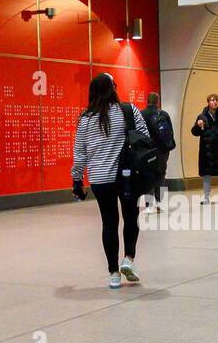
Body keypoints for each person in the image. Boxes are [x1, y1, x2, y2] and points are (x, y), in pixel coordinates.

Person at [71, 72, 152, 289]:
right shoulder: (128, 110)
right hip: (127, 176)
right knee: (131, 216)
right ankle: (129, 258)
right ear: (113, 88)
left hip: (100, 179)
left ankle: (114, 273)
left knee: (109, 222)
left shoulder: (85, 118)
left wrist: (77, 180)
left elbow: (80, 152)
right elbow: (144, 137)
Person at [140, 92, 175, 213]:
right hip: (162, 151)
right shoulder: (164, 114)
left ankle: (149, 205)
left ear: (147, 101)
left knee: (148, 176)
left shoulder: (141, 114)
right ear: (157, 101)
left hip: (147, 151)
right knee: (160, 175)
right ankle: (160, 203)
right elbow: (170, 132)